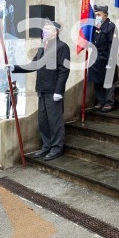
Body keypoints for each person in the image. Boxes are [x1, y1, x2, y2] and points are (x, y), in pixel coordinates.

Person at [9, 21, 70, 160]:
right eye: (44, 29)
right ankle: (46, 146)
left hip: (53, 91)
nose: (45, 31)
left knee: (55, 122)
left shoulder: (62, 47)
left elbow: (64, 70)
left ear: (56, 32)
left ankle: (56, 148)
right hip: (42, 89)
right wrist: (15, 67)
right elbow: (33, 65)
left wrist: (58, 91)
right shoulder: (43, 47)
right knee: (43, 121)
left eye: (48, 29)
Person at [89, 5, 117, 112]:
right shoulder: (96, 27)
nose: (97, 16)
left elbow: (113, 45)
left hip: (106, 56)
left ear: (105, 15)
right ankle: (101, 101)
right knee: (97, 80)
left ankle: (109, 102)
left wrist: (111, 60)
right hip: (96, 57)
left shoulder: (111, 27)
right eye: (96, 15)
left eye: (98, 14)